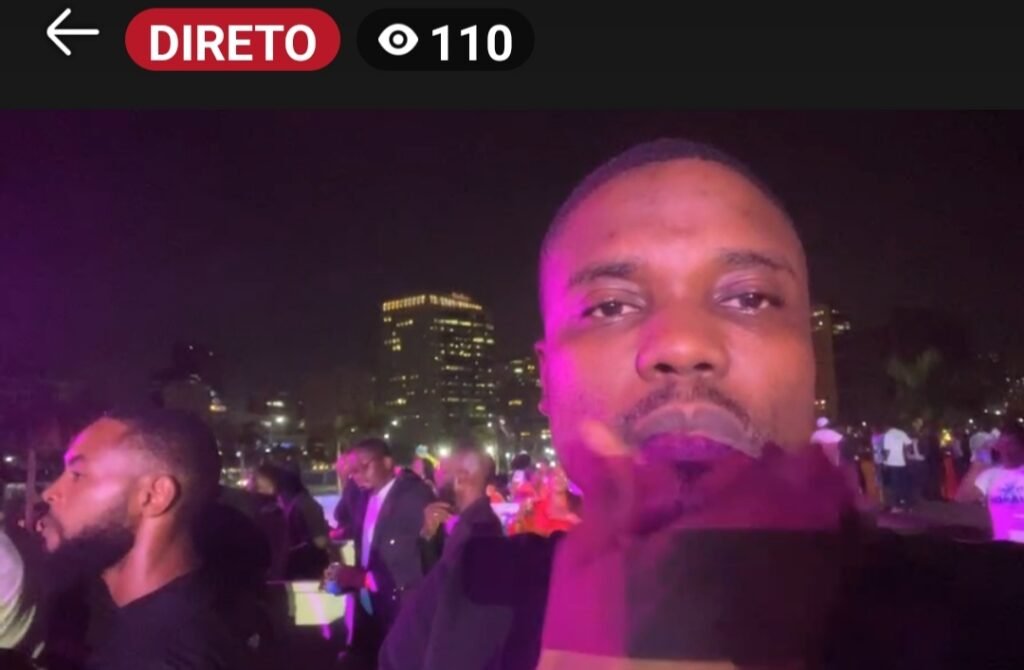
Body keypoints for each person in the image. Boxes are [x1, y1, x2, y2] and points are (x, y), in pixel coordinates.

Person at [381, 139, 1024, 670]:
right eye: (611, 306)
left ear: (808, 357)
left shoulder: (987, 616)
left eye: (749, 298)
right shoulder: (462, 606)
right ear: (546, 382)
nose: (683, 345)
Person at [36, 408, 265, 670]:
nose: (50, 493)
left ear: (155, 495)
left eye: (77, 475)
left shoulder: (162, 657)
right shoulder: (163, 621)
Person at [324, 437, 434, 669]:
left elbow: (413, 564)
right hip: (370, 607)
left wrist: (360, 578)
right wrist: (345, 578)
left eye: (364, 467)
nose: (357, 475)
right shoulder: (363, 498)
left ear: (387, 462)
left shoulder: (413, 496)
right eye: (353, 470)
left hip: (400, 610)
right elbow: (369, 554)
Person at [419, 444, 503, 570]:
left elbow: (442, 578)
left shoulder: (478, 528)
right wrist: (428, 535)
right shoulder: (469, 520)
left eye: (445, 472)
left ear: (462, 477)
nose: (438, 476)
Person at [253, 462, 330, 580]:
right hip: (292, 569)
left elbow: (321, 542)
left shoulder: (301, 504)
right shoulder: (280, 505)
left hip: (305, 570)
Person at [956, 422, 1024, 542]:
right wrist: (982, 454)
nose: (1007, 450)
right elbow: (962, 497)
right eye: (1003, 445)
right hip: (1001, 548)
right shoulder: (991, 475)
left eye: (1012, 444)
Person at [882, 424, 913, 510]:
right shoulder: (901, 432)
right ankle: (904, 502)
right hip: (902, 463)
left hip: (892, 463)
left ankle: (895, 505)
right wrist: (905, 453)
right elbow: (909, 444)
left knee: (894, 485)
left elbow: (887, 450)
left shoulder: (887, 435)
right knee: (902, 484)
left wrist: (885, 462)